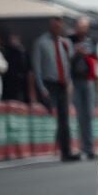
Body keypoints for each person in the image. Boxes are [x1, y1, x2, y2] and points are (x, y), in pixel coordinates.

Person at [32, 16, 79, 161]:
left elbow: (68, 64)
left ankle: (66, 152)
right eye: (54, 26)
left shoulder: (65, 43)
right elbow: (37, 67)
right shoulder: (41, 43)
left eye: (59, 26)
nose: (57, 28)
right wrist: (41, 87)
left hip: (62, 84)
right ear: (50, 26)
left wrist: (69, 81)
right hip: (48, 83)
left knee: (64, 119)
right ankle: (47, 148)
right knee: (51, 116)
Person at [69, 17, 98, 159]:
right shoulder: (70, 40)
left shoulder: (91, 41)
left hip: (88, 80)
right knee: (80, 115)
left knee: (89, 114)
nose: (82, 29)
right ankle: (81, 147)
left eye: (84, 27)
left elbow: (96, 59)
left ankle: (89, 148)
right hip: (75, 80)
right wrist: (77, 52)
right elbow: (67, 58)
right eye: (79, 26)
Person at [1, 33, 30, 103]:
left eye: (15, 39)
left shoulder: (23, 52)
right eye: (11, 39)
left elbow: (28, 69)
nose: (13, 41)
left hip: (21, 83)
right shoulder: (6, 52)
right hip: (8, 83)